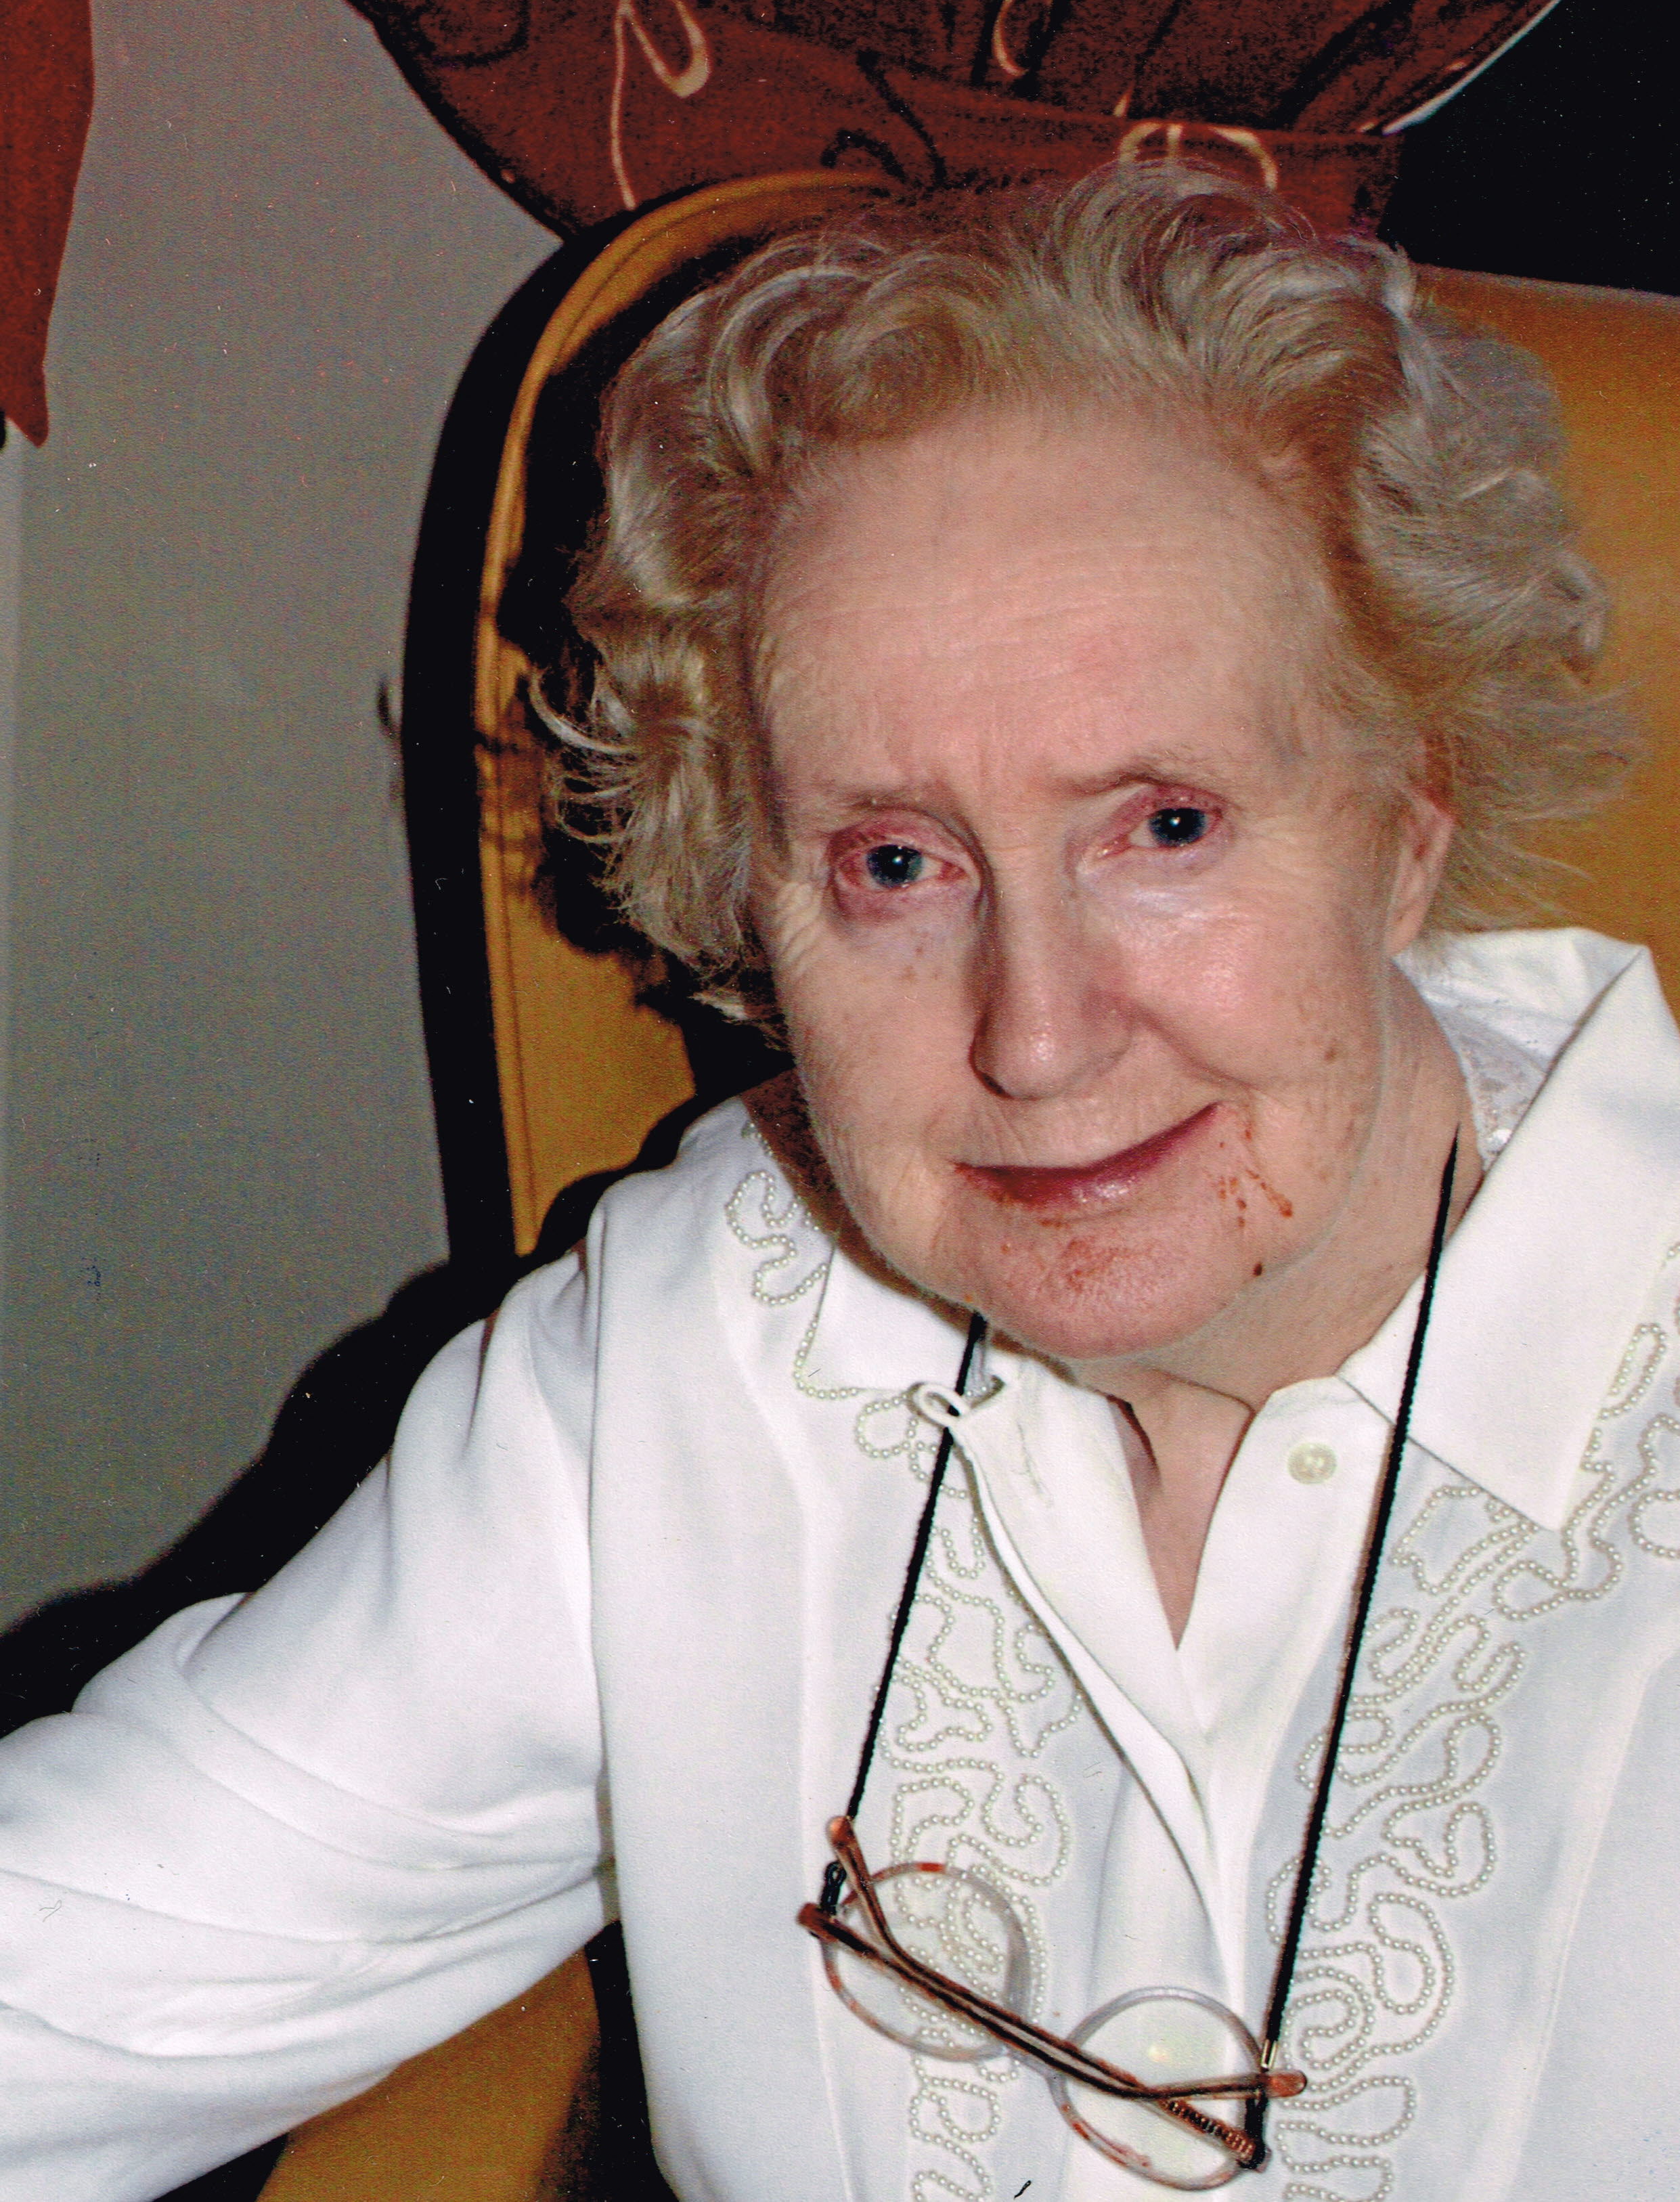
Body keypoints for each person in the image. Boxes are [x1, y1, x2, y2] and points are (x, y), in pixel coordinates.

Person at [0, 160, 1671, 2201]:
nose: (1035, 1036)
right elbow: (63, 1986)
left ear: (1408, 826)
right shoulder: (711, 1337)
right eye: (893, 863)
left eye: (1164, 825)